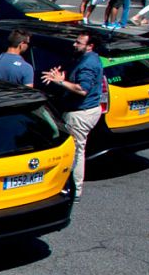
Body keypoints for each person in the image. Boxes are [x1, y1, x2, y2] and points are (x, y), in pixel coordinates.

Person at [38, 30, 105, 201]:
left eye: (79, 43)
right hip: (86, 110)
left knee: (75, 151)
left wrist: (60, 82)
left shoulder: (88, 64)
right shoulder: (90, 59)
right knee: (77, 149)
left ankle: (75, 189)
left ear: (90, 46)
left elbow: (82, 89)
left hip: (80, 114)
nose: (74, 44)